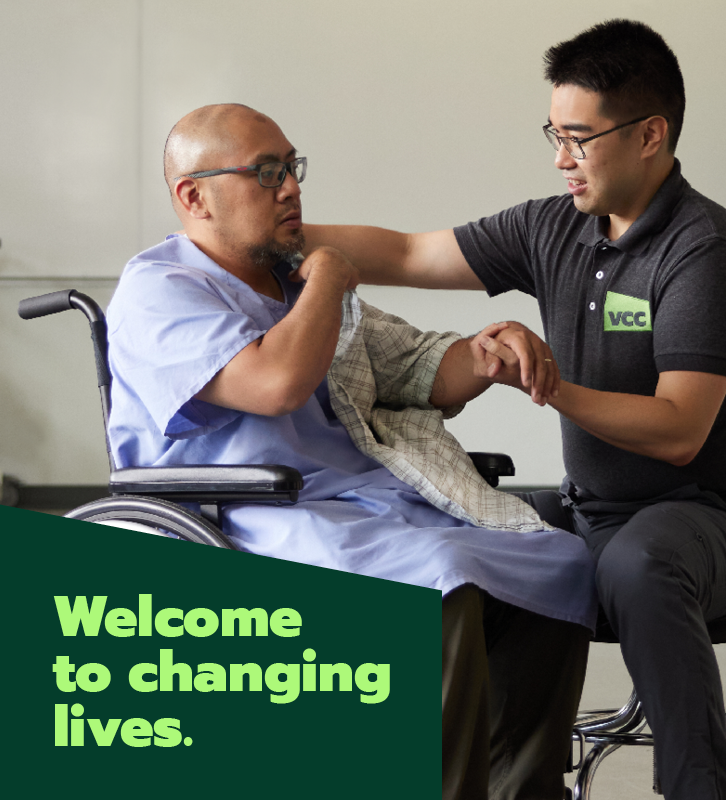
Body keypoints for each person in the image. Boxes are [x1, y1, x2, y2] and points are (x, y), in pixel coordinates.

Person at [303, 19, 726, 800]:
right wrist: (256, 235)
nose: (561, 158)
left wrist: (551, 385)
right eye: (553, 134)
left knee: (641, 562)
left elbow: (678, 428)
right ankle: (512, 782)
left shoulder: (704, 252)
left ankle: (701, 785)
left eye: (578, 138)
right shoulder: (551, 228)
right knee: (461, 537)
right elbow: (402, 253)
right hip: (592, 509)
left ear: (650, 135)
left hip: (713, 517)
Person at [105, 103, 597, 800]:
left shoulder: (291, 282)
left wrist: (487, 355)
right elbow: (277, 382)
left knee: (554, 560)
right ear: (194, 196)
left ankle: (521, 788)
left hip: (358, 505)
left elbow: (418, 366)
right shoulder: (162, 289)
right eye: (265, 173)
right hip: (245, 512)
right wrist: (332, 279)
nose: (290, 188)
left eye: (292, 167)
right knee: (445, 578)